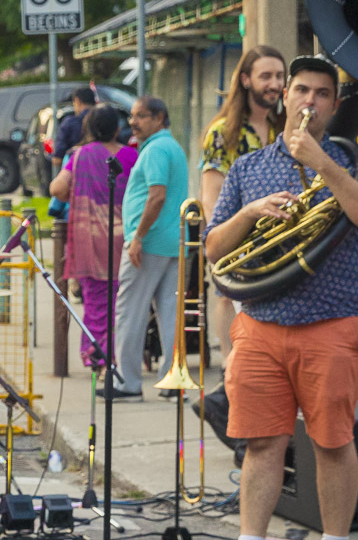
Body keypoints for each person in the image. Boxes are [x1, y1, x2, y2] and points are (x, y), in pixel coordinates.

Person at [200, 54, 358, 540]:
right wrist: (250, 212)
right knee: (263, 443)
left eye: (322, 94)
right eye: (301, 90)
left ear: (333, 105)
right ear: (283, 96)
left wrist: (323, 166)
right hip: (261, 325)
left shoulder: (350, 161)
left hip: (331, 324)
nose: (309, 101)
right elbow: (214, 248)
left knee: (332, 442)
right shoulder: (248, 168)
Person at [199, 46, 285, 364]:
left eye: (279, 76)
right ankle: (229, 365)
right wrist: (221, 242)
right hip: (237, 237)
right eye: (266, 76)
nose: (274, 83)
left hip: (279, 241)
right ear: (246, 80)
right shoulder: (224, 132)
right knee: (227, 299)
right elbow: (211, 194)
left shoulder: (283, 129)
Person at [110, 95, 188, 400]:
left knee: (130, 311)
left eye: (140, 116)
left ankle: (127, 383)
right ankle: (172, 380)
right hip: (172, 242)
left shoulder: (155, 149)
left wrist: (138, 236)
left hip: (149, 242)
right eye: (132, 116)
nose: (133, 122)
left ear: (159, 118)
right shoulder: (174, 147)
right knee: (170, 313)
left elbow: (156, 196)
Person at [50, 104, 132, 369]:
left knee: (95, 298)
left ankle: (96, 353)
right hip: (125, 237)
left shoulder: (81, 155)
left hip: (90, 237)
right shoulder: (132, 156)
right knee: (122, 299)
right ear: (117, 128)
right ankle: (117, 351)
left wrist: (79, 191)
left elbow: (58, 188)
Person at [51, 87, 95, 177]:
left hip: (76, 176)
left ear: (77, 101)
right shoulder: (105, 120)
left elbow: (57, 159)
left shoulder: (70, 123)